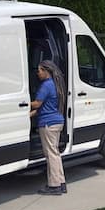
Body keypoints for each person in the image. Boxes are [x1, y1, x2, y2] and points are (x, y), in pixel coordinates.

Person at [30, 60, 67, 195]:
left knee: (50, 154)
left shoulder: (46, 85)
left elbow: (37, 104)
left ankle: (54, 186)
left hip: (48, 124)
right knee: (55, 153)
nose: (38, 73)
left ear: (46, 71)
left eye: (39, 70)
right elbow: (44, 106)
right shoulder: (55, 84)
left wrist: (21, 103)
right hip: (57, 121)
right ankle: (61, 182)